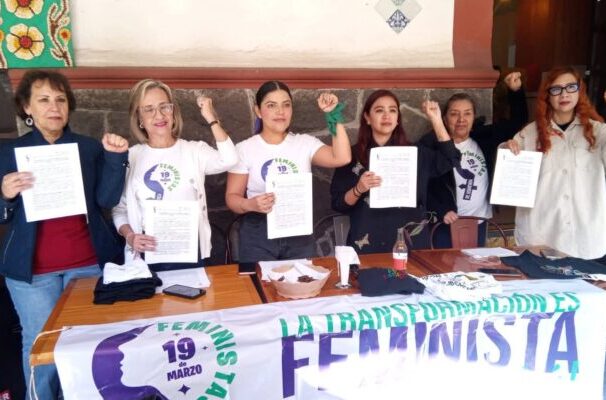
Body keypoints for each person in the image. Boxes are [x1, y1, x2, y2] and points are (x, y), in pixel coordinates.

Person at [0, 70, 128, 399]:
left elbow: (106, 200)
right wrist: (5, 195)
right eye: (43, 100)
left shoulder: (88, 148)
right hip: (33, 272)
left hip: (87, 264)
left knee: (87, 347)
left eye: (60, 99)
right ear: (27, 108)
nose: (54, 107)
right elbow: (2, 214)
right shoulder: (10, 152)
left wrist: (116, 159)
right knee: (40, 347)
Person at [112, 79, 237, 270]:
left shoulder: (194, 150)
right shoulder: (131, 157)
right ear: (139, 118)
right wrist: (130, 236)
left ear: (173, 112)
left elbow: (229, 159)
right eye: (149, 109)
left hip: (189, 250)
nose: (159, 115)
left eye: (164, 107)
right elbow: (119, 210)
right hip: (147, 253)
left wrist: (211, 118)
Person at [225, 81, 351, 262]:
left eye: (286, 105)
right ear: (258, 111)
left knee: (302, 278)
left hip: (298, 229)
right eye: (271, 105)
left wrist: (333, 114)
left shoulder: (304, 143)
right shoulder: (245, 149)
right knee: (259, 280)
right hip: (258, 230)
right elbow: (232, 197)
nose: (280, 111)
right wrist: (250, 204)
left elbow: (342, 157)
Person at [330, 90, 461, 254]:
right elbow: (338, 204)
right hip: (367, 243)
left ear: (398, 118)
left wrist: (436, 120)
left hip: (411, 243)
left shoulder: (414, 153)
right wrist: (359, 189)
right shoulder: (351, 156)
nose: (387, 116)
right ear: (367, 118)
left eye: (392, 110)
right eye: (379, 110)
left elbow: (451, 159)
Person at [505, 66, 606, 260]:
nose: (564, 94)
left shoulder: (599, 132)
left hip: (585, 236)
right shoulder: (529, 134)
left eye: (571, 87)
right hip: (541, 235)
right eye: (556, 89)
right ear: (547, 95)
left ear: (580, 91)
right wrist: (508, 151)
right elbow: (511, 181)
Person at [419, 71, 528, 248]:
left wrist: (515, 92)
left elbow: (518, 122)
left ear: (474, 117)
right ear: (445, 118)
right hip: (445, 223)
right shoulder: (431, 145)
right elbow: (423, 185)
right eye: (454, 114)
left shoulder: (485, 139)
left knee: (475, 263)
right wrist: (440, 210)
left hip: (480, 221)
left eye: (467, 113)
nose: (461, 120)